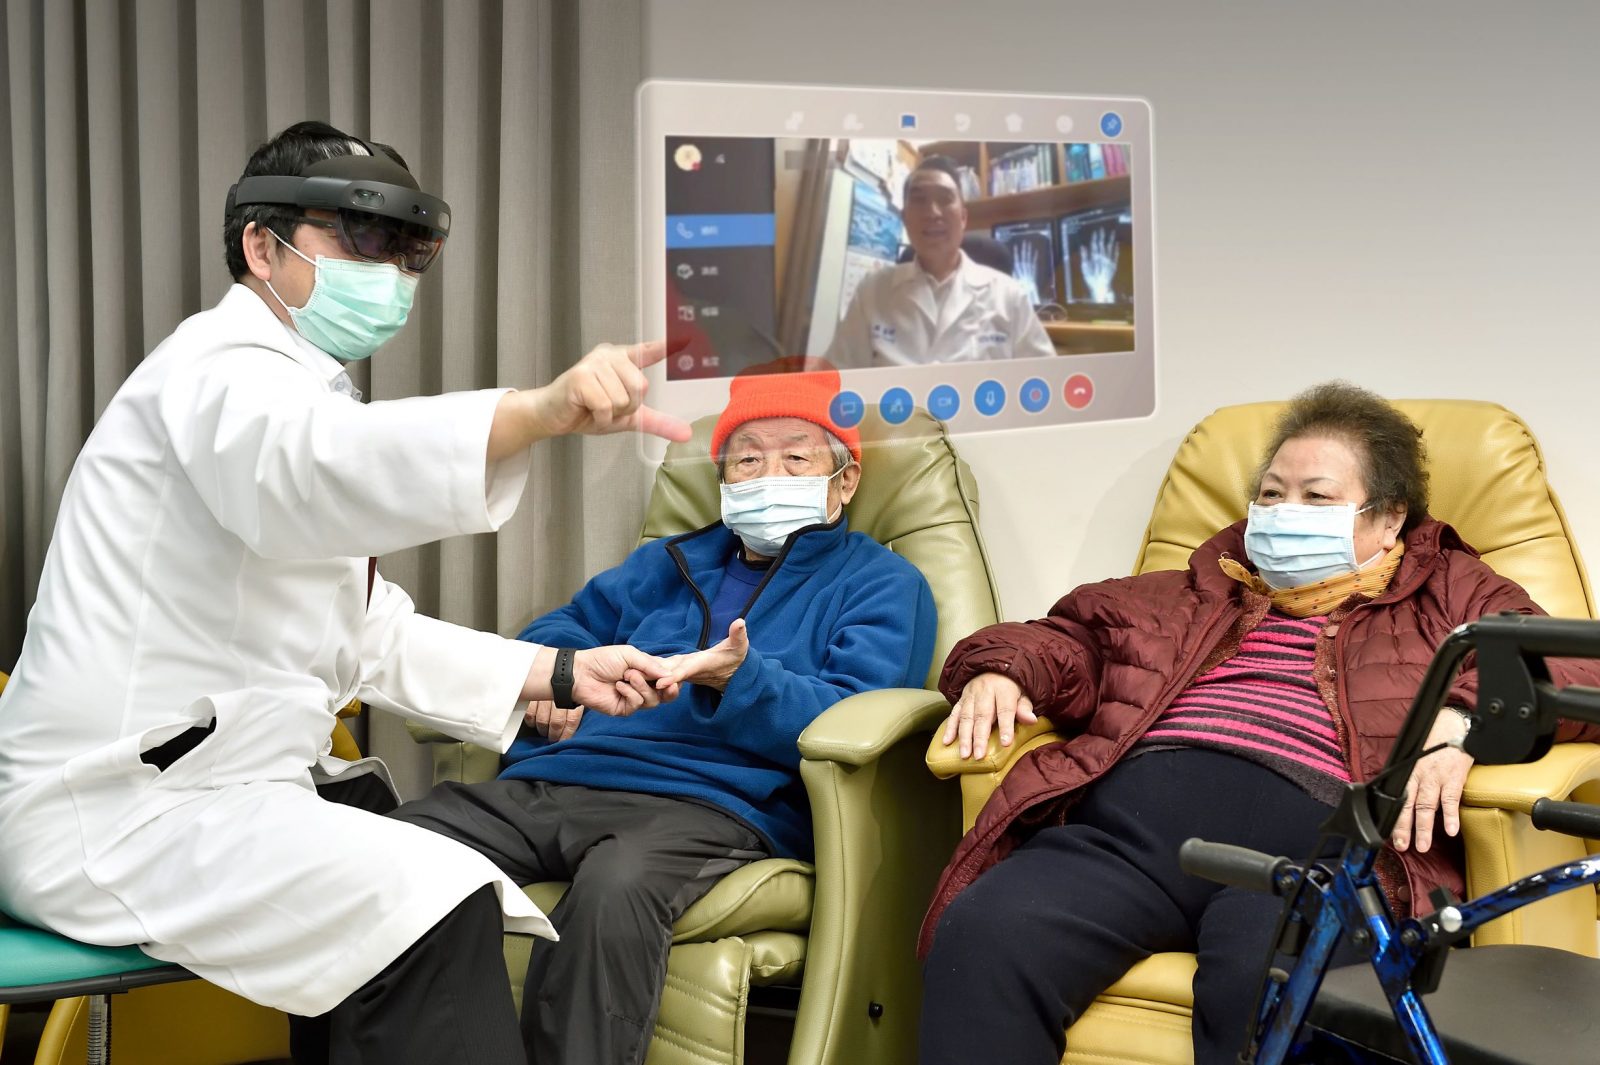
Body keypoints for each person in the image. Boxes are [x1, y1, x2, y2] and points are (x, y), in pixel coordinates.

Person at [0, 120, 692, 1064]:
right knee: (430, 903)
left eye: (408, 252)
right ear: (260, 245)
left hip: (212, 799)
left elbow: (364, 631)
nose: (391, 274)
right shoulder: (216, 373)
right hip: (116, 810)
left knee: (399, 894)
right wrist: (534, 415)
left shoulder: (300, 397)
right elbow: (310, 474)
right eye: (360, 239)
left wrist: (562, 671)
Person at [916, 382, 1600, 1065]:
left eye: (1316, 496)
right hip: (1128, 843)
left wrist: (1462, 719)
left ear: (1389, 518)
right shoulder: (1195, 587)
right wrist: (1003, 669)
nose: (1282, 513)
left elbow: (1567, 661)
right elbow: (1064, 638)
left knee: (1269, 986)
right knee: (987, 933)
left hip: (1312, 862)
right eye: (1270, 495)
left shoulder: (1451, 588)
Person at [392, 364, 938, 1065]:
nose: (768, 472)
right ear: (723, 478)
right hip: (560, 779)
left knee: (614, 890)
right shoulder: (665, 564)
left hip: (713, 802)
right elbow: (560, 628)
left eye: (796, 455)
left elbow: (856, 718)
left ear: (845, 481)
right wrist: (545, 684)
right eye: (747, 457)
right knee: (392, 851)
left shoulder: (883, 584)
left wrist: (745, 680)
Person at [825, 155, 1056, 368]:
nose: (933, 212)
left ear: (963, 218)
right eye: (919, 200)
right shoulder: (871, 291)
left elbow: (1046, 383)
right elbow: (833, 378)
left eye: (945, 199)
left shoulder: (1010, 296)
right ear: (905, 218)